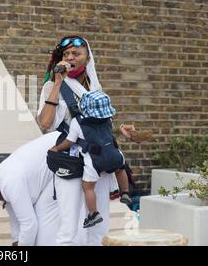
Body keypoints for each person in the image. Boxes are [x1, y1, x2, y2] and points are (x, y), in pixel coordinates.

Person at [37, 35, 136, 245]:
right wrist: (57, 84)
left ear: (87, 58)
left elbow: (95, 127)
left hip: (97, 161)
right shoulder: (52, 86)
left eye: (76, 53)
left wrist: (119, 129)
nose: (70, 57)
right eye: (66, 54)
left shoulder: (94, 87)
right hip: (71, 161)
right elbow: (45, 124)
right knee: (69, 226)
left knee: (100, 225)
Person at [0, 132, 60, 246]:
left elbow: (29, 224)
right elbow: (15, 218)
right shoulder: (0, 180)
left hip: (64, 152)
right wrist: (15, 241)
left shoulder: (10, 183)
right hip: (54, 165)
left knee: (42, 227)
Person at [50, 90, 125, 229]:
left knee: (88, 187)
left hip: (95, 161)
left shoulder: (77, 122)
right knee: (121, 168)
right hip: (114, 155)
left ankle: (93, 214)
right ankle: (125, 192)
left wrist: (57, 148)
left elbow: (69, 142)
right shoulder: (109, 119)